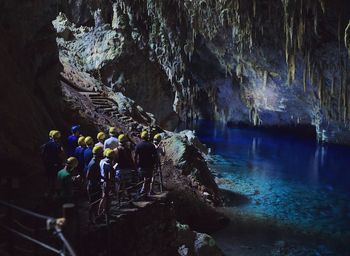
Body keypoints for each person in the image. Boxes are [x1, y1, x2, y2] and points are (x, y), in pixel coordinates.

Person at [41, 130, 64, 195]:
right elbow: (61, 155)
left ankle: (47, 193)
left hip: (48, 164)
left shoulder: (46, 144)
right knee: (55, 180)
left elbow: (43, 154)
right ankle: (55, 194)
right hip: (55, 165)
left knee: (49, 179)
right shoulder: (57, 145)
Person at [134, 131, 157, 196]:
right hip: (149, 165)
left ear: (141, 137)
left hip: (141, 165)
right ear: (148, 137)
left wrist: (135, 164)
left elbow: (135, 156)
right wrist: (155, 164)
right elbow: (155, 156)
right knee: (148, 180)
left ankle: (139, 194)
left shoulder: (138, 145)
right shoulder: (151, 145)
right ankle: (146, 194)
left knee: (140, 180)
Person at [115, 134, 136, 199]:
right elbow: (131, 160)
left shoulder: (116, 150)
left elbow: (115, 160)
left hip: (119, 169)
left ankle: (119, 201)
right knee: (128, 185)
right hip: (127, 169)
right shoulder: (128, 149)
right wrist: (134, 168)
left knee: (120, 185)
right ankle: (130, 200)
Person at [86, 145, 103, 223]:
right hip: (93, 185)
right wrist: (96, 179)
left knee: (96, 202)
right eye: (101, 152)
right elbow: (88, 176)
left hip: (95, 184)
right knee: (93, 203)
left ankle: (96, 217)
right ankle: (91, 219)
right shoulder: (93, 163)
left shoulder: (96, 161)